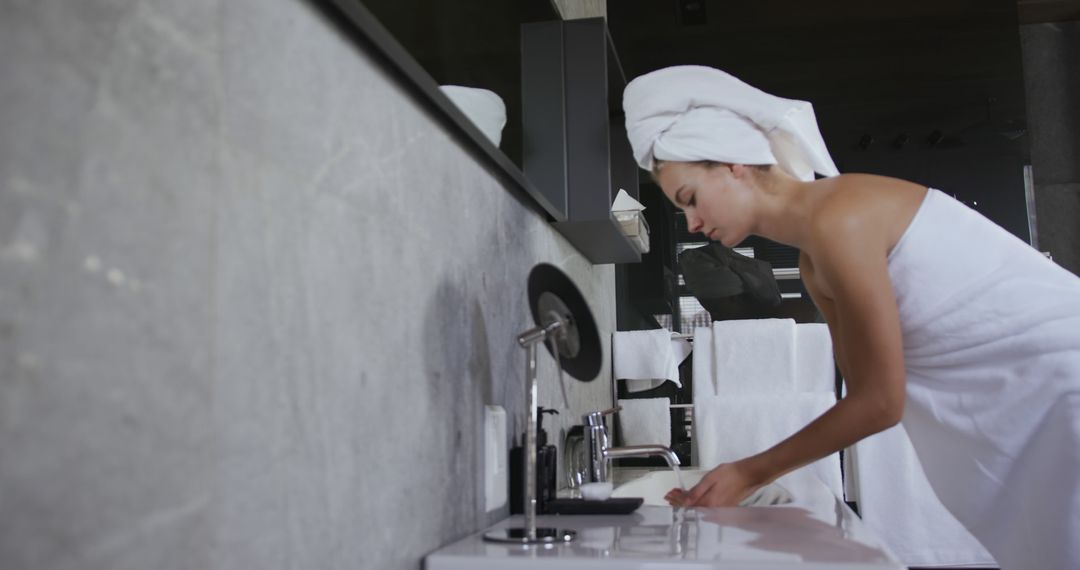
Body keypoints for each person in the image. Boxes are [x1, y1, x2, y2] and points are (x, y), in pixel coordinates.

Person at [622, 65, 1080, 570]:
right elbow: (866, 396)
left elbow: (882, 401)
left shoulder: (841, 216)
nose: (692, 223)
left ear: (734, 164)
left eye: (689, 199)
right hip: (1036, 409)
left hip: (1061, 390)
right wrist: (747, 473)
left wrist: (750, 472)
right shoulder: (813, 259)